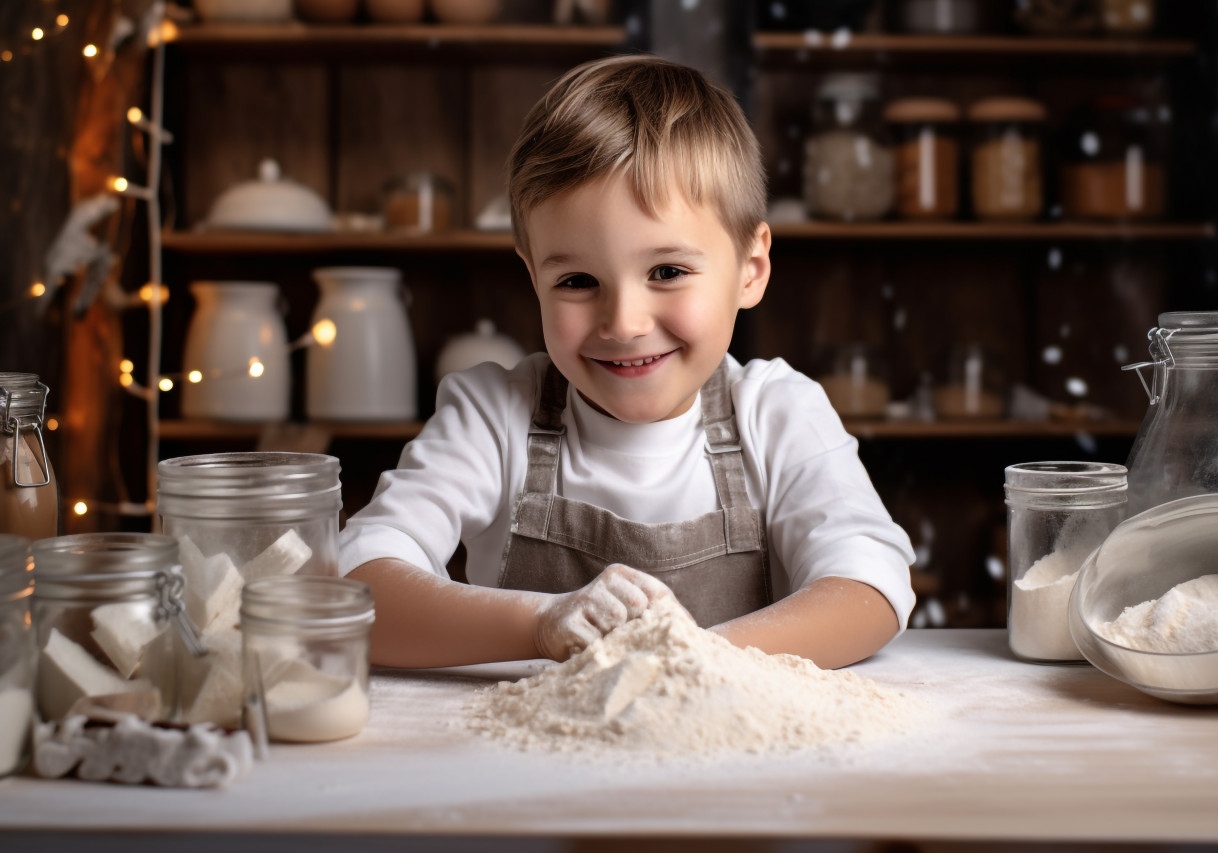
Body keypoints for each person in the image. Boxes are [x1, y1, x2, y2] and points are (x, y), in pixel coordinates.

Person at [340, 54, 915, 670]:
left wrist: (686, 658)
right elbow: (355, 585)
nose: (624, 323)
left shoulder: (778, 414)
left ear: (750, 271)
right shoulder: (492, 417)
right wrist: (540, 625)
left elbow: (869, 589)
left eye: (667, 272)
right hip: (529, 761)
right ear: (533, 278)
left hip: (734, 758)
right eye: (578, 280)